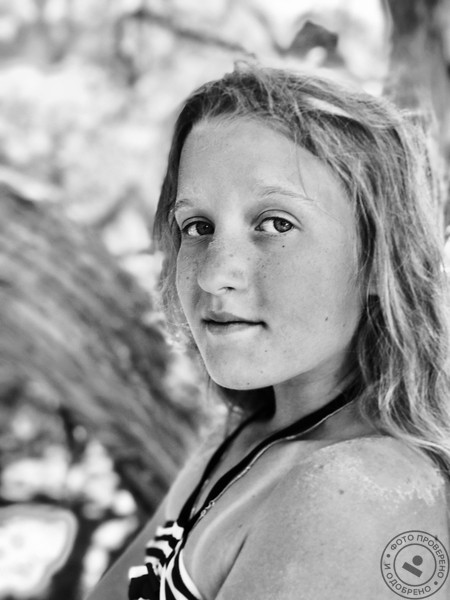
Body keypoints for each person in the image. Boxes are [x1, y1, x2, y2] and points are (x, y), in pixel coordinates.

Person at [87, 63, 450, 600]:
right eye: (197, 227)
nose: (213, 274)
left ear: (380, 261)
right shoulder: (243, 438)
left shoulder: (352, 493)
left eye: (276, 223)